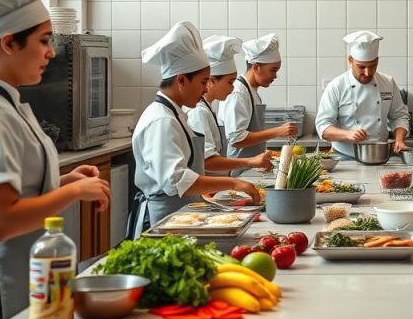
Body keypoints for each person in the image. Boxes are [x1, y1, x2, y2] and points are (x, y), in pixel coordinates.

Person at [0, 0, 110, 319]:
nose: (51, 52)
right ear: (8, 43)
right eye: (45, 40)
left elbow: (14, 189)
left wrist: (64, 182)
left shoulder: (7, 103)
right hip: (1, 279)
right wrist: (74, 192)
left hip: (22, 270)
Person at [127, 22, 260, 238]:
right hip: (164, 221)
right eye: (203, 82)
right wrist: (235, 182)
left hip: (181, 217)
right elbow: (177, 181)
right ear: (181, 80)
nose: (206, 88)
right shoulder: (161, 121)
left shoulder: (175, 114)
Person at [185, 35, 272, 174]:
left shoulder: (207, 108)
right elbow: (207, 161)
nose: (232, 88)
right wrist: (250, 161)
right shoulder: (198, 112)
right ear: (211, 81)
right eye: (230, 82)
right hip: (209, 189)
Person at [316, 30, 409, 157]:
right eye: (361, 67)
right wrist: (347, 134)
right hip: (344, 157)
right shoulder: (336, 86)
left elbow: (399, 116)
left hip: (380, 155)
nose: (367, 72)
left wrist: (399, 140)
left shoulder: (388, 83)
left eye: (373, 66)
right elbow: (323, 127)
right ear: (350, 60)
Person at [217, 33, 297, 170]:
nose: (275, 76)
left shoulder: (251, 91)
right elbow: (236, 139)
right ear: (256, 67)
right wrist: (277, 131)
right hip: (238, 171)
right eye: (273, 70)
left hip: (251, 169)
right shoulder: (238, 94)